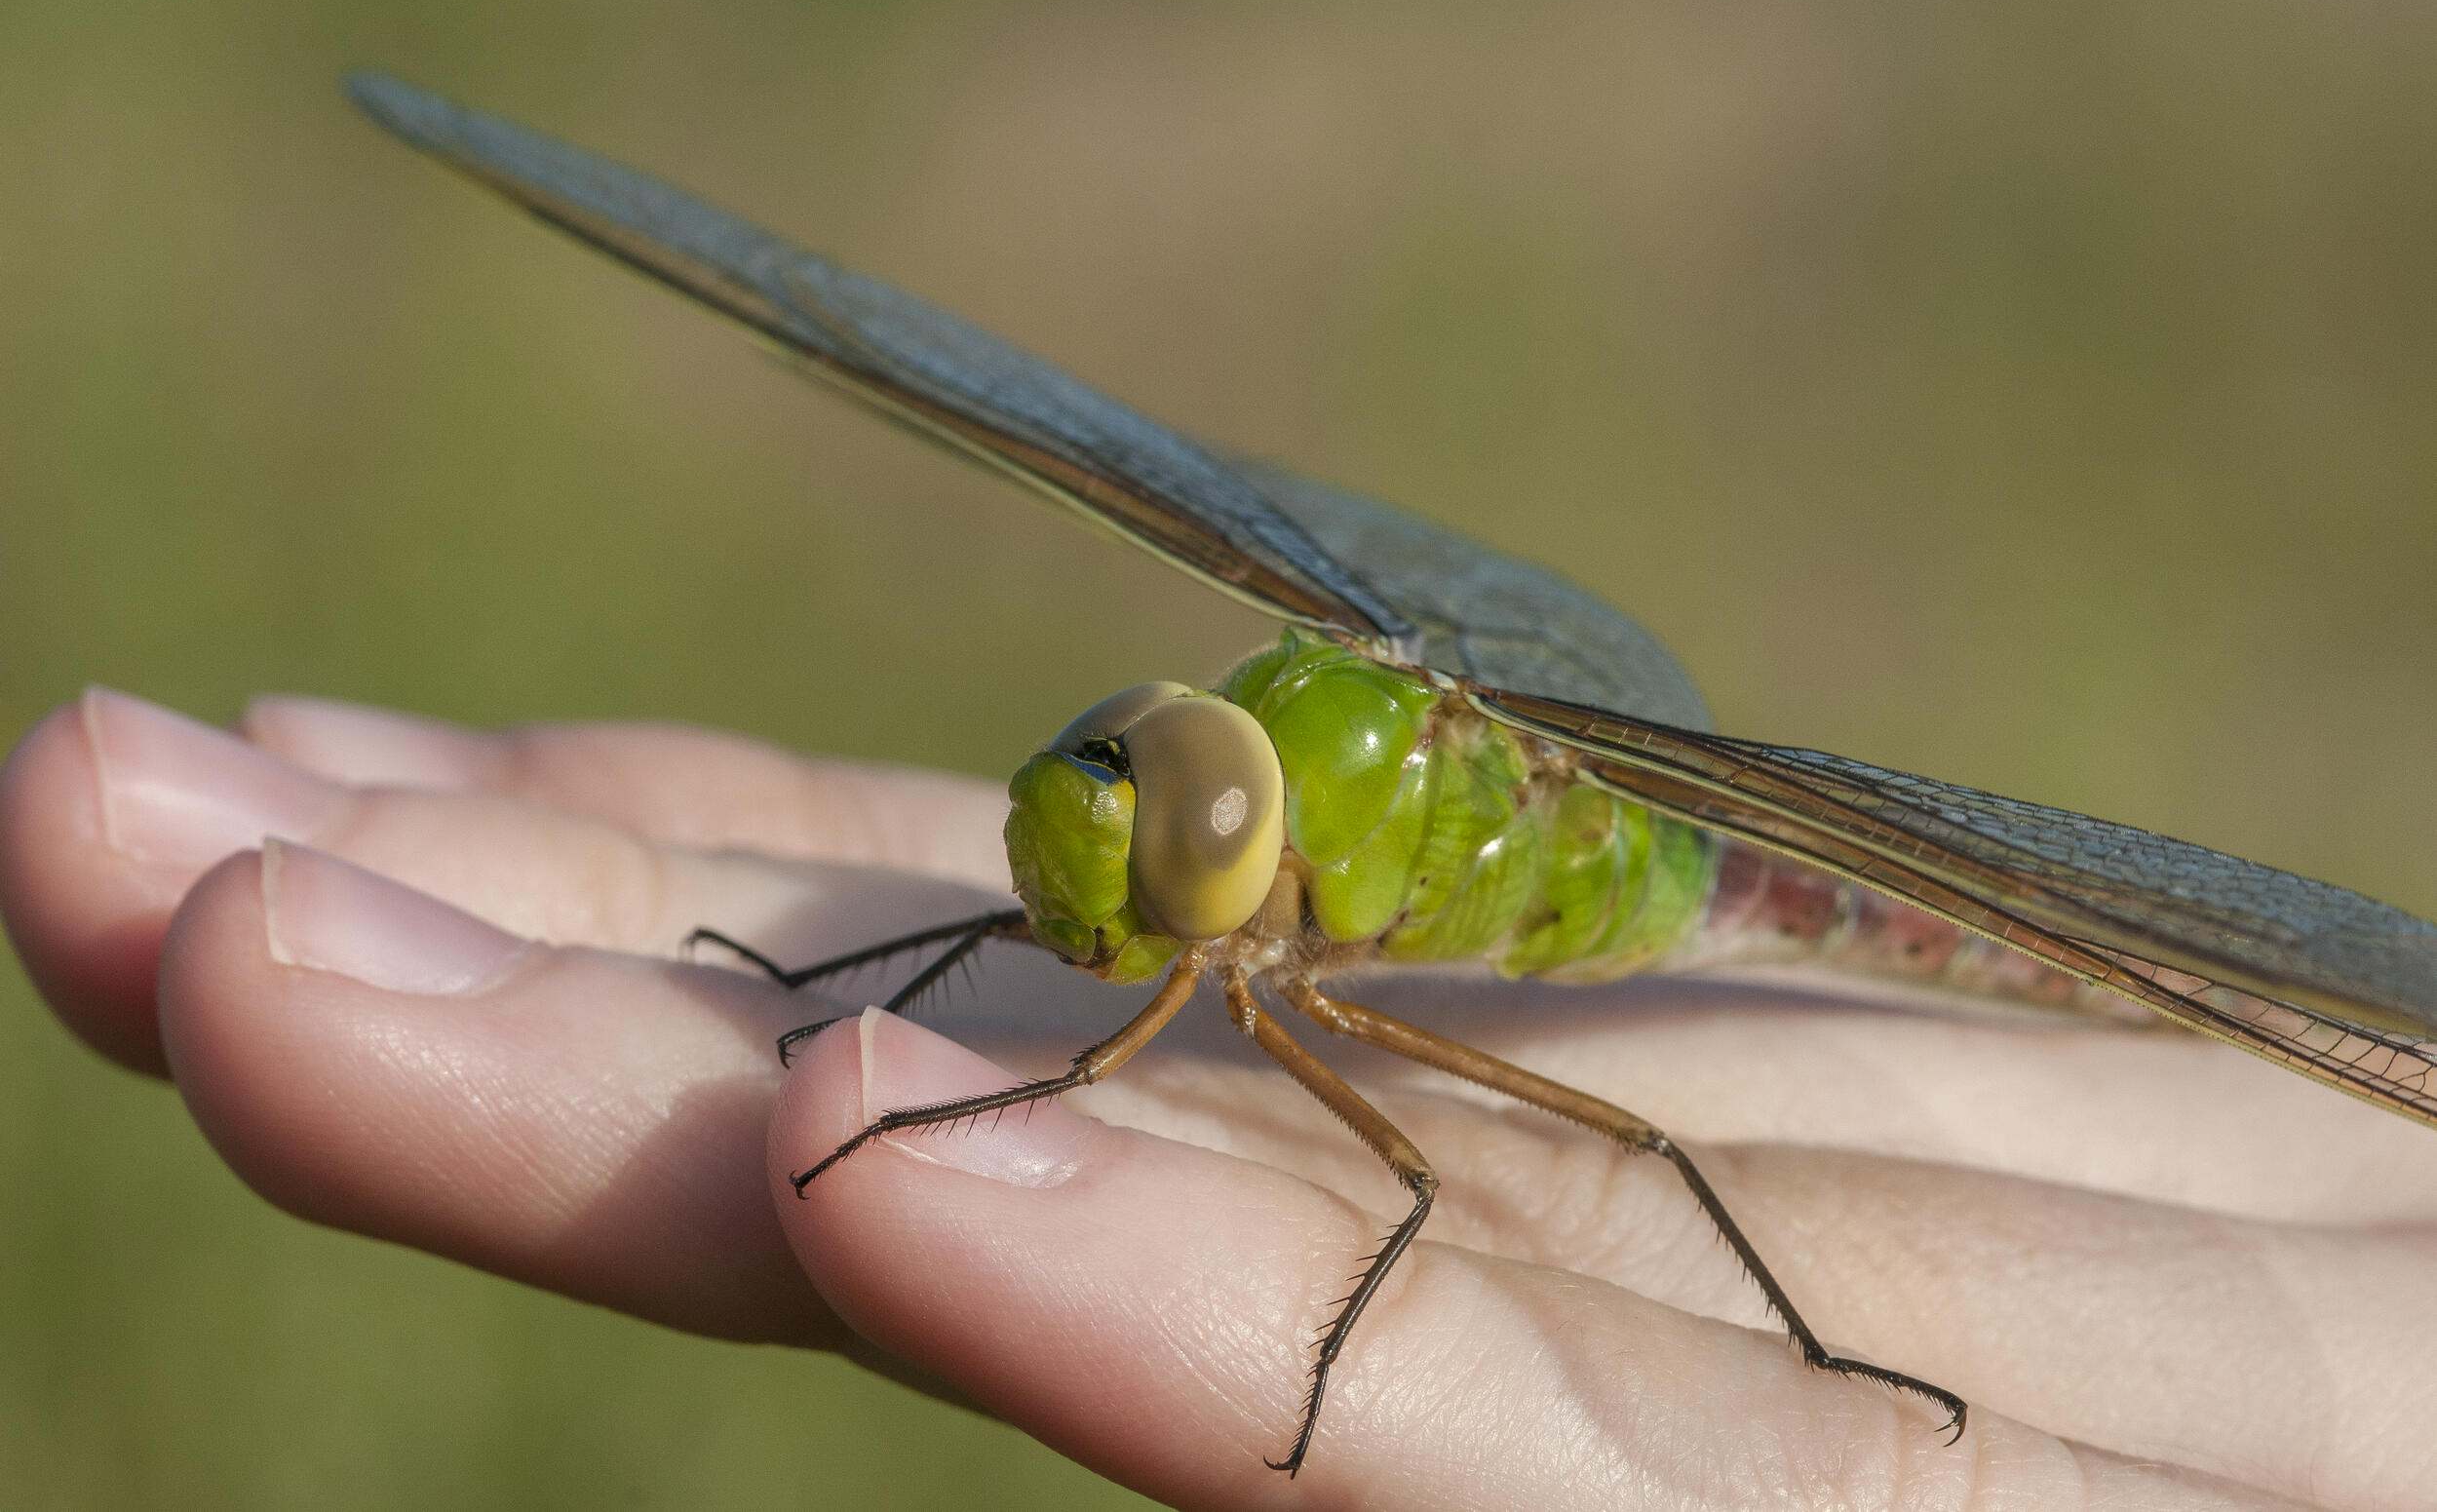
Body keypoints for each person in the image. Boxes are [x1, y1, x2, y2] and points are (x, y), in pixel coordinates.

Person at [5, 687, 2429, 1510]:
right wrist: (839, 970)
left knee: (1645, 1145)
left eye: (1166, 836)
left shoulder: (1304, 887)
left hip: (1822, 891)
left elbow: (1504, 1136)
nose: (1129, 842)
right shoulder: (1216, 819)